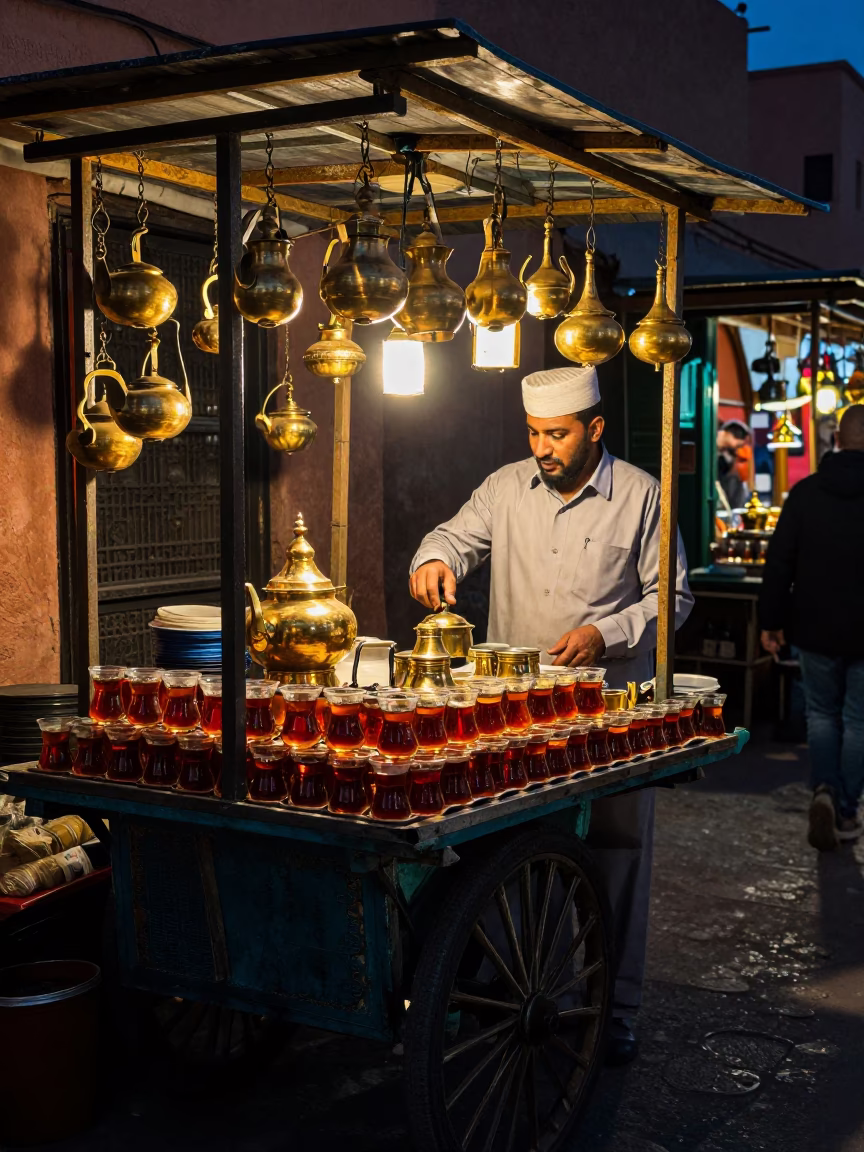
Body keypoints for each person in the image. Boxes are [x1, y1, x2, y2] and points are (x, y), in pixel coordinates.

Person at [409, 365, 694, 1065]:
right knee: (507, 855)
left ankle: (614, 1009)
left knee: (616, 860)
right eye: (535, 432)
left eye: (558, 434)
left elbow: (675, 598)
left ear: (594, 429)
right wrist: (433, 560)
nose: (544, 446)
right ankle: (514, 997)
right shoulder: (504, 489)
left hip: (608, 720)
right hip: (517, 720)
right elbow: (452, 536)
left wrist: (610, 634)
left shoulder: (641, 497)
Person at [759, 404, 864, 852]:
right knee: (859, 721)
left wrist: (771, 620)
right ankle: (844, 808)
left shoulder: (805, 493)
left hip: (815, 626)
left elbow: (779, 561)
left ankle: (824, 788)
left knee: (821, 715)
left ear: (836, 439)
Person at [716, 419, 751, 509]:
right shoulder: (709, 448)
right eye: (739, 445)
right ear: (729, 434)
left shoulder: (727, 456)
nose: (739, 448)